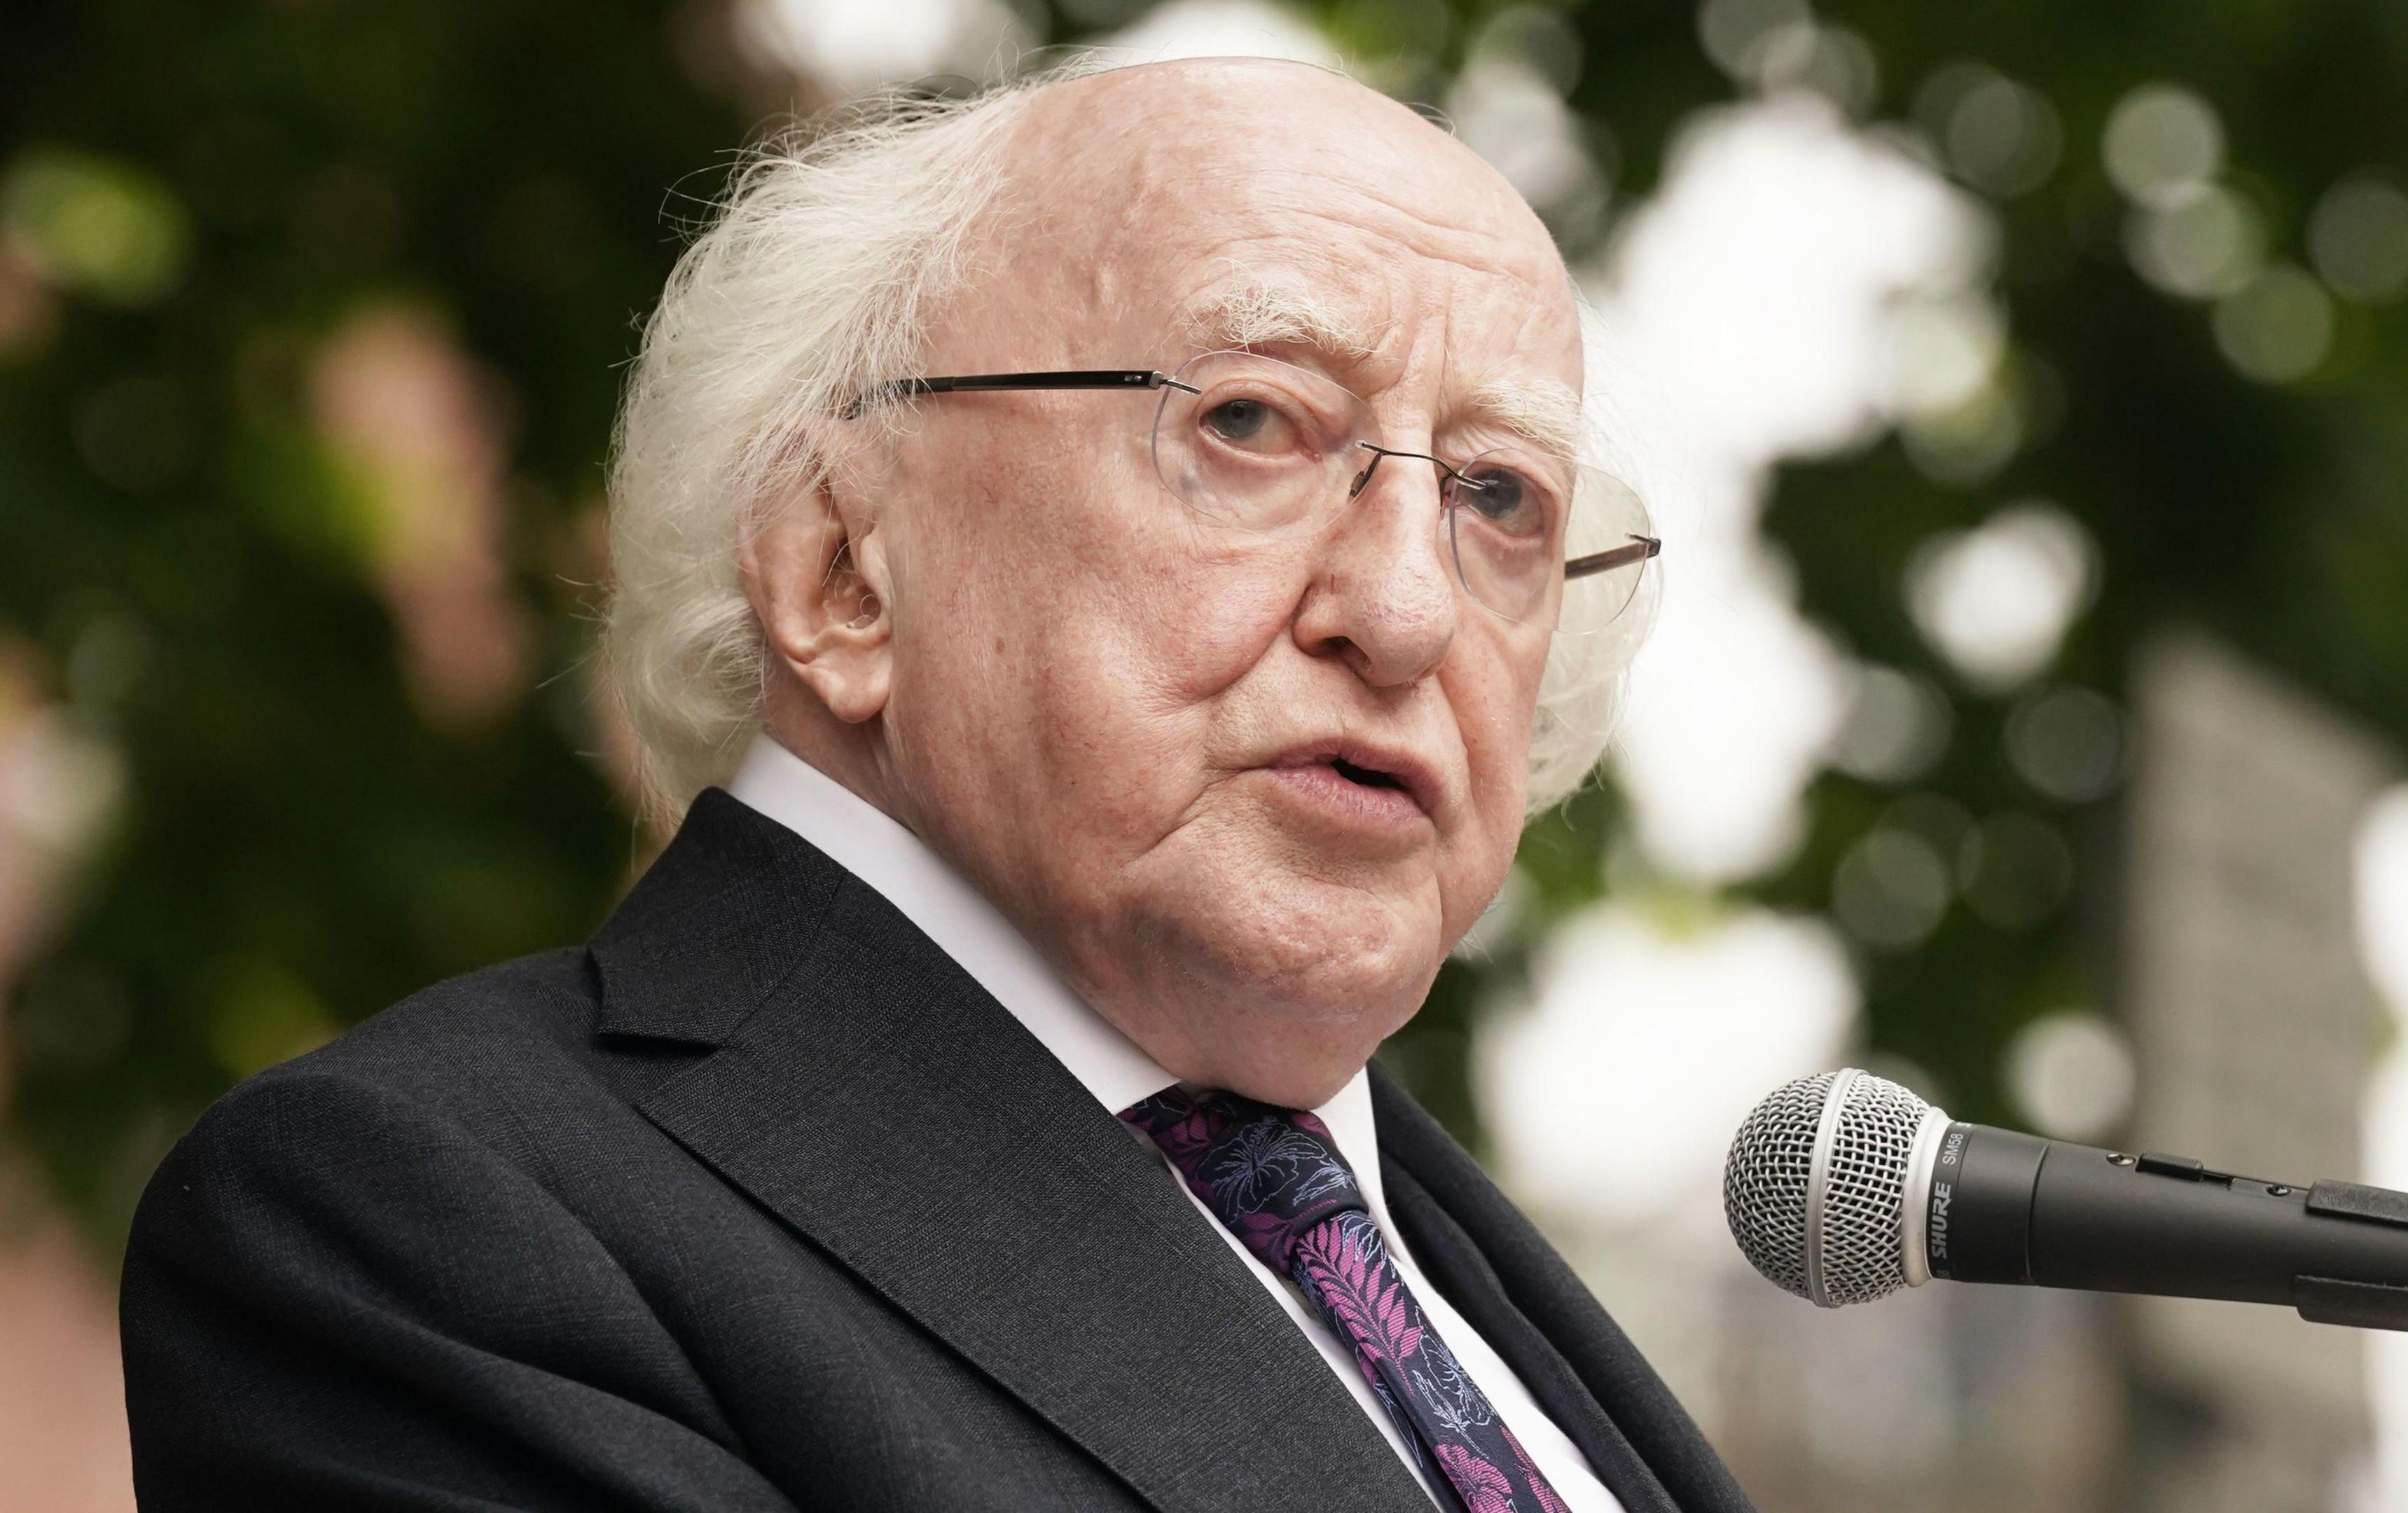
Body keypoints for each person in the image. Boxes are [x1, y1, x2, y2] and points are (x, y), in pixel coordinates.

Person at [119, 56, 1734, 1513]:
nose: (1405, 610)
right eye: (1249, 419)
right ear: (841, 571)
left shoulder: (1432, 1264)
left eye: (1502, 499)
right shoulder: (429, 1229)